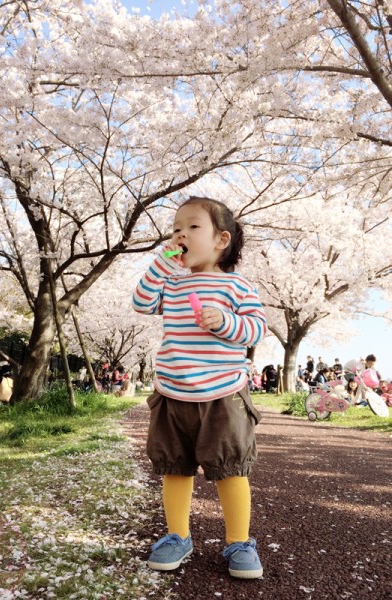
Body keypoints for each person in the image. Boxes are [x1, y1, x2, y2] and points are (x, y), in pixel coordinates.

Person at [132, 196, 267, 579]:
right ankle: (177, 535)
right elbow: (141, 302)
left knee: (230, 470)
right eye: (176, 228)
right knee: (175, 468)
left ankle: (239, 541)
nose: (180, 234)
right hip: (173, 393)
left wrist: (225, 321)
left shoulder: (237, 286)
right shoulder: (172, 284)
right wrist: (161, 265)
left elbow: (256, 328)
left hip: (223, 394)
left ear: (221, 239)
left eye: (192, 227)